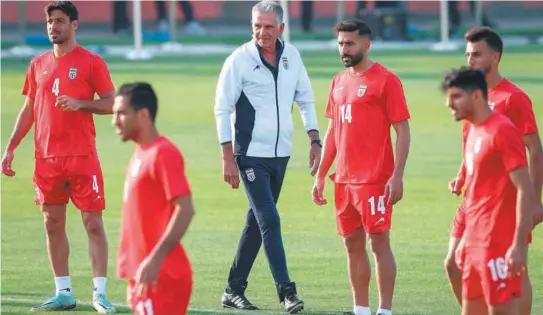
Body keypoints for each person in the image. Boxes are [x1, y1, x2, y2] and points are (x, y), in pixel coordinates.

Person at [0, 1, 116, 312]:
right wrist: (11, 146)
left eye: (60, 21)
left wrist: (81, 103)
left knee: (92, 223)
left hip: (82, 156)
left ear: (74, 25)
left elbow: (111, 103)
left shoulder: (92, 63)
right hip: (47, 159)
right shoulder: (37, 64)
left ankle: (100, 294)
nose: (54, 26)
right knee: (52, 223)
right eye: (50, 21)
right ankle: (63, 292)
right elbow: (29, 109)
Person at [213, 1, 321, 312]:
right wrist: (226, 156)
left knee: (257, 222)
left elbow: (305, 99)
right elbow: (222, 108)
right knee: (270, 219)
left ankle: (233, 289)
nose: (262, 32)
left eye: (269, 26)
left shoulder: (292, 56)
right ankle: (287, 292)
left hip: (281, 155)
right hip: (248, 155)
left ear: (281, 29)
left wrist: (315, 139)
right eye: (257, 25)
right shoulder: (239, 60)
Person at [312, 20, 410, 315]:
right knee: (352, 246)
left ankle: (385, 311)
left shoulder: (386, 80)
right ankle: (360, 309)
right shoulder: (338, 82)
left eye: (350, 43)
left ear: (367, 44)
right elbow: (332, 132)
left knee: (379, 244)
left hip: (374, 180)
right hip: (343, 180)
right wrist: (320, 176)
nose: (344, 49)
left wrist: (397, 176)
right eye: (341, 43)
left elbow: (402, 131)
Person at [443, 27, 543, 315]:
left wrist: (535, 200)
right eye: (467, 55)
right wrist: (462, 174)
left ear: (495, 57)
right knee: (453, 263)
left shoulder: (513, 99)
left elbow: (534, 150)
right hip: (473, 201)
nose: (470, 60)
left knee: (514, 270)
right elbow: (472, 146)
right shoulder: (470, 99)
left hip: (503, 204)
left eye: (477, 54)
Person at [113, 82, 195, 315]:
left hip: (162, 277)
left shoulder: (163, 153)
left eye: (121, 113)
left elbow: (185, 208)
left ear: (143, 114)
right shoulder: (140, 154)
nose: (115, 120)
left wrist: (155, 260)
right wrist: (132, 275)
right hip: (144, 276)